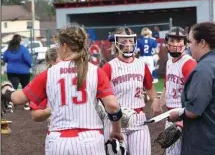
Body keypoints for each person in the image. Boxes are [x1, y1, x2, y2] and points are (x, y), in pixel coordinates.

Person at [1, 26, 124, 155]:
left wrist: (6, 89)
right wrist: (116, 131)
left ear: (65, 46)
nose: (58, 48)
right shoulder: (95, 71)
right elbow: (113, 106)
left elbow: (18, 98)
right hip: (90, 140)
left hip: (58, 142)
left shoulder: (49, 73)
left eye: (59, 45)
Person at [169, 22, 215, 155]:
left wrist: (178, 114)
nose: (189, 46)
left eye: (191, 42)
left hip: (210, 142)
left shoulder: (205, 68)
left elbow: (194, 111)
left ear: (202, 43)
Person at [102, 27, 162, 155]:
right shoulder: (108, 67)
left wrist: (155, 99)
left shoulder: (141, 65)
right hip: (115, 120)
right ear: (115, 43)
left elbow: (149, 87)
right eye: (124, 41)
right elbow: (100, 96)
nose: (128, 45)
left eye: (130, 41)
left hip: (138, 118)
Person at [160, 27, 197, 155]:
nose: (176, 44)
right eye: (172, 40)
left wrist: (181, 120)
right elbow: (167, 85)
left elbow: (194, 94)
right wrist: (158, 103)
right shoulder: (169, 62)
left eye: (179, 40)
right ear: (167, 43)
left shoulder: (188, 63)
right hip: (170, 116)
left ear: (185, 43)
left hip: (185, 116)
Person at [30, 47, 60, 122]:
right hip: (57, 125)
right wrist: (52, 109)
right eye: (63, 59)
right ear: (53, 63)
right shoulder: (46, 78)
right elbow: (35, 115)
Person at [3, 34, 32, 110]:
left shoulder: (9, 49)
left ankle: (10, 104)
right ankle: (26, 104)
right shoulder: (23, 49)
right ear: (20, 41)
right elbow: (28, 59)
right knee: (25, 87)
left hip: (12, 71)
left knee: (13, 87)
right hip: (24, 71)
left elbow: (5, 58)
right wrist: (30, 65)